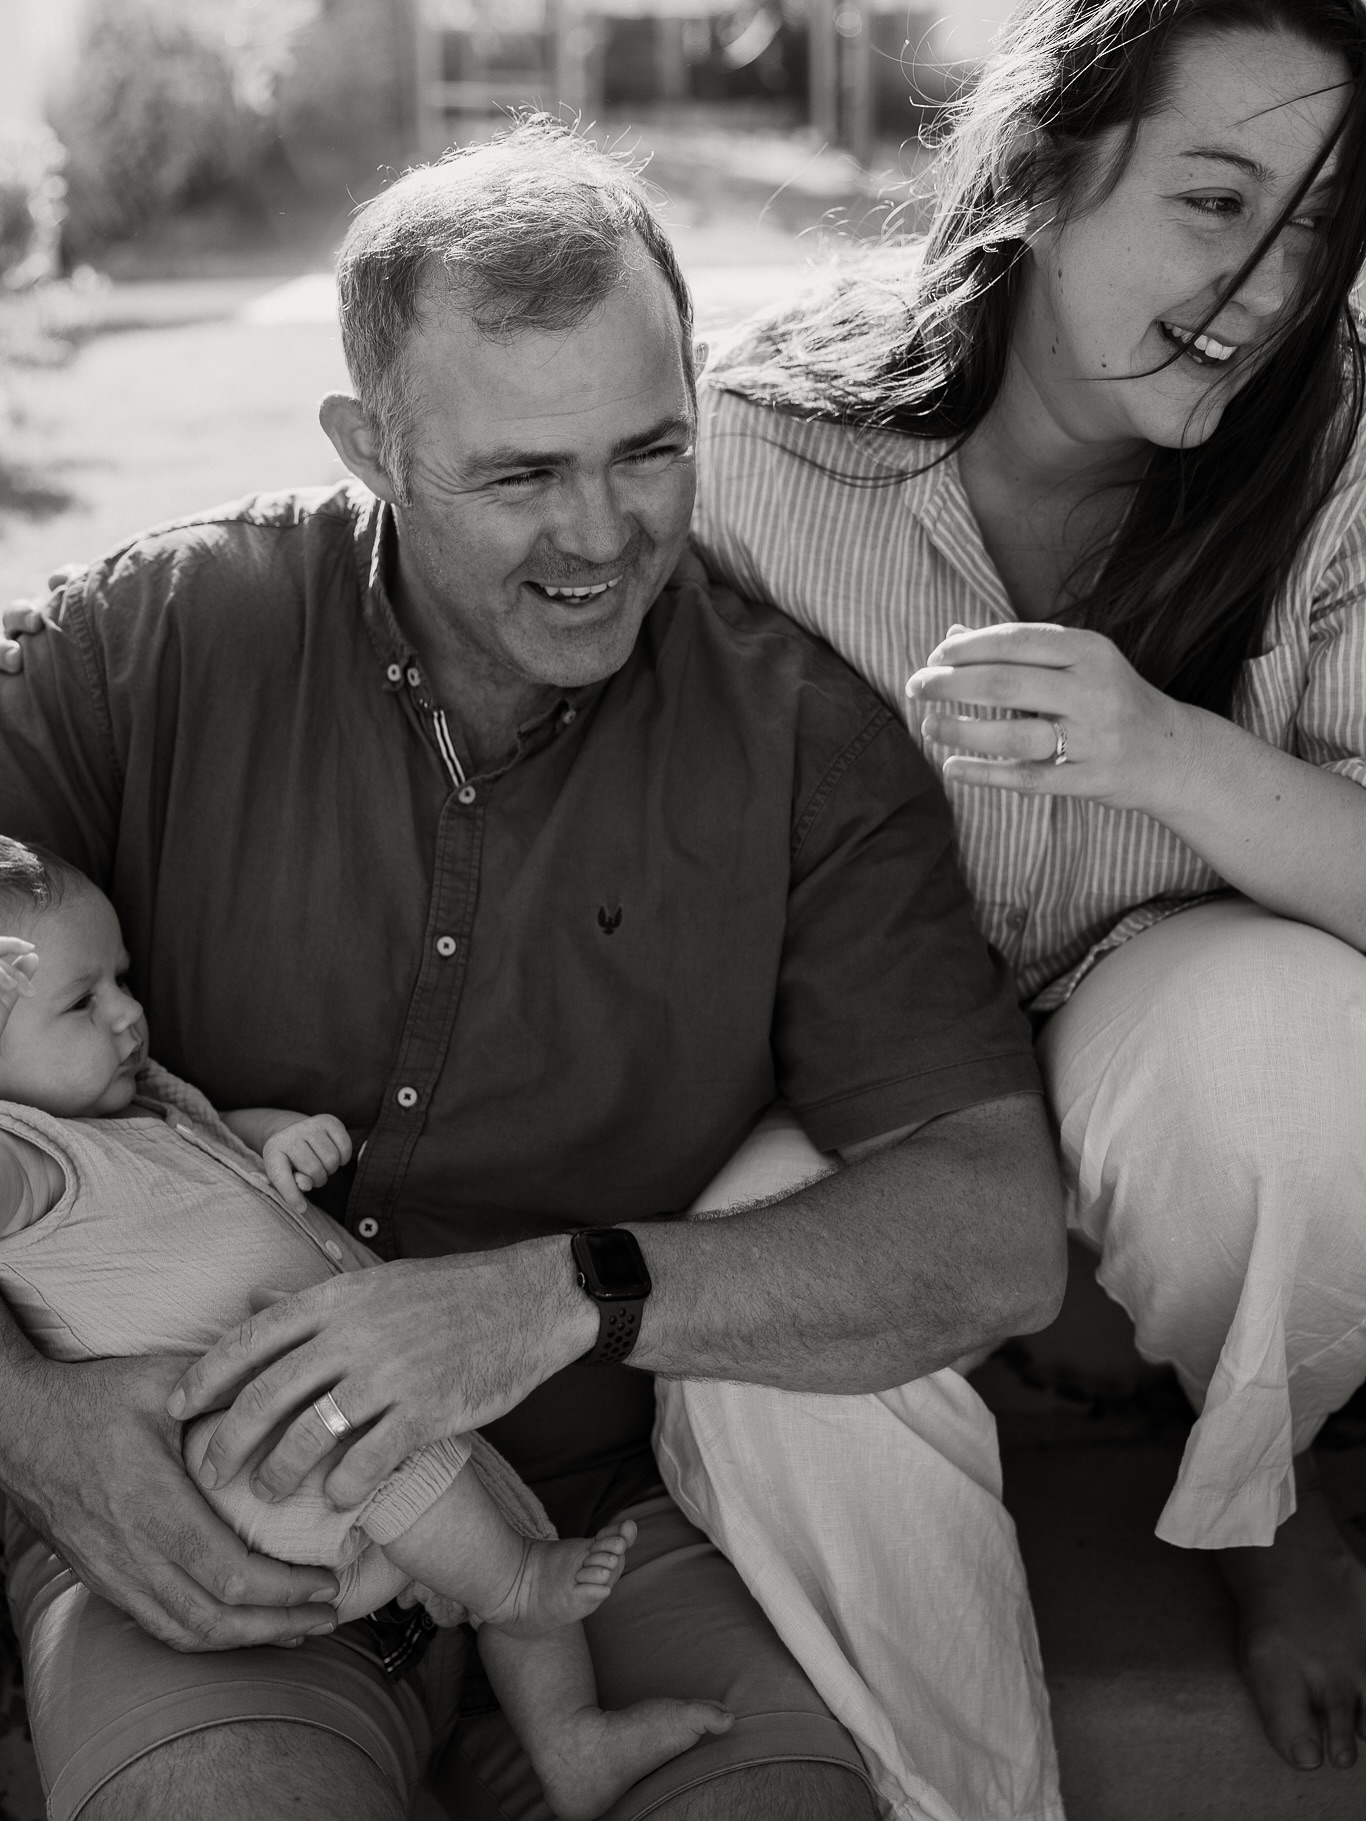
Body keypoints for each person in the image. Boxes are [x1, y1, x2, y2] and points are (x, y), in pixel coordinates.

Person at [0, 121, 1065, 1821]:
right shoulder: (154, 643)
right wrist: (29, 1427)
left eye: (649, 451)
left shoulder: (799, 742)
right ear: (372, 446)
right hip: (197, 1545)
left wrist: (564, 1293)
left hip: (583, 1548)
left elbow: (995, 1231)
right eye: (520, 476)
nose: (603, 534)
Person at [690, 0, 1366, 1780]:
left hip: (1180, 1085)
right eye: (1218, 203)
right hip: (863, 1079)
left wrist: (1165, 749)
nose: (1266, 291)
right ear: (1053, 167)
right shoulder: (759, 442)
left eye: (1313, 231)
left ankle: (1260, 1498)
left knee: (1298, 1059)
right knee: (740, 1309)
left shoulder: (1341, 457)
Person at [0, 838, 734, 1821]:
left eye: (121, 979)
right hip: (251, 1466)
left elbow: (216, 1142)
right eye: (81, 1002)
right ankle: (508, 1586)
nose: (128, 1014)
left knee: (501, 1506)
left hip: (367, 1405)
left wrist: (273, 1138)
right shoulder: (24, 1154)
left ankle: (568, 1741)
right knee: (410, 1470)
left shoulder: (137, 1098)